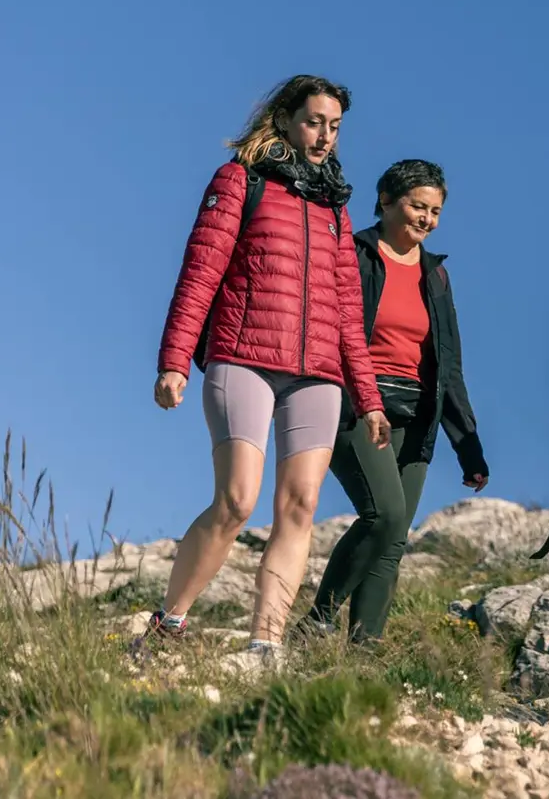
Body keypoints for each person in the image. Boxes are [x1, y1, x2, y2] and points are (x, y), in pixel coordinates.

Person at [146, 75, 387, 662]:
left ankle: (265, 643)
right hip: (243, 358)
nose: (324, 136)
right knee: (236, 501)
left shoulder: (335, 206)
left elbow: (347, 312)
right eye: (314, 122)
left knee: (300, 505)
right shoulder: (239, 181)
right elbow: (201, 271)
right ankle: (168, 622)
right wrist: (176, 360)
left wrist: (370, 397)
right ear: (283, 119)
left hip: (318, 373)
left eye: (334, 126)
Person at [306, 159, 491, 643]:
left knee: (392, 541)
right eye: (416, 206)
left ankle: (366, 648)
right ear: (386, 200)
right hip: (356, 404)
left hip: (417, 415)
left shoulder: (436, 276)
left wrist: (468, 447)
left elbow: (448, 364)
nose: (426, 219)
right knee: (383, 514)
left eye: (435, 211)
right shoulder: (353, 252)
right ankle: (318, 619)